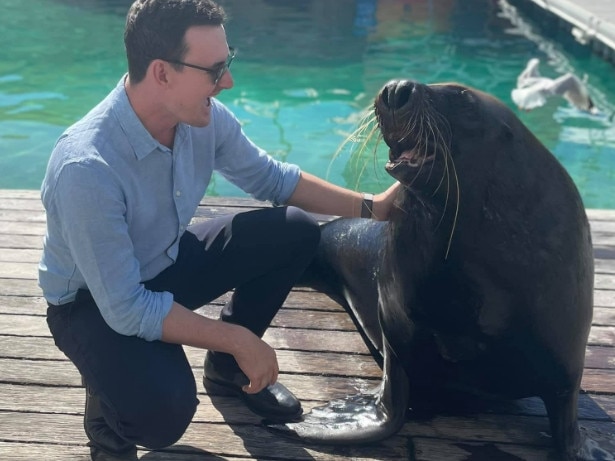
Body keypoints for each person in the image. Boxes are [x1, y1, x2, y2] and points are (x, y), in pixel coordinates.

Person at [38, 0, 399, 459]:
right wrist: (239, 338)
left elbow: (275, 180)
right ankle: (107, 413)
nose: (226, 81)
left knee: (294, 231)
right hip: (92, 304)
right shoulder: (86, 166)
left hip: (164, 258)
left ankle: (229, 372)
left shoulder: (200, 118)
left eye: (227, 64)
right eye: (214, 70)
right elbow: (127, 308)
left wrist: (373, 208)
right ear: (162, 73)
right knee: (163, 413)